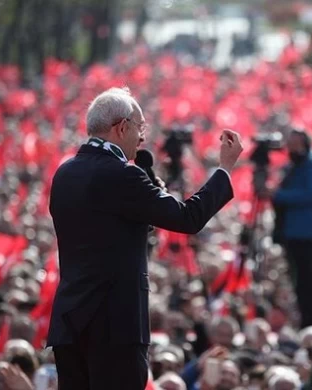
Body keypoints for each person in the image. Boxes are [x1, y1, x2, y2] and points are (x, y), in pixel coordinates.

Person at [48, 87, 243, 389]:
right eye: (139, 127)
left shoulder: (64, 174)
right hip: (115, 327)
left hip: (70, 322)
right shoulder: (122, 175)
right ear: (122, 127)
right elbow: (187, 218)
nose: (142, 137)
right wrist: (224, 169)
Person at [269, 129, 312, 328]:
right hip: (294, 232)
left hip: (309, 232)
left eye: (295, 144)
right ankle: (304, 318)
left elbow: (310, 195)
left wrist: (277, 195)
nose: (291, 148)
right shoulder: (292, 166)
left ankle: (310, 322)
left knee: (307, 282)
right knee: (298, 281)